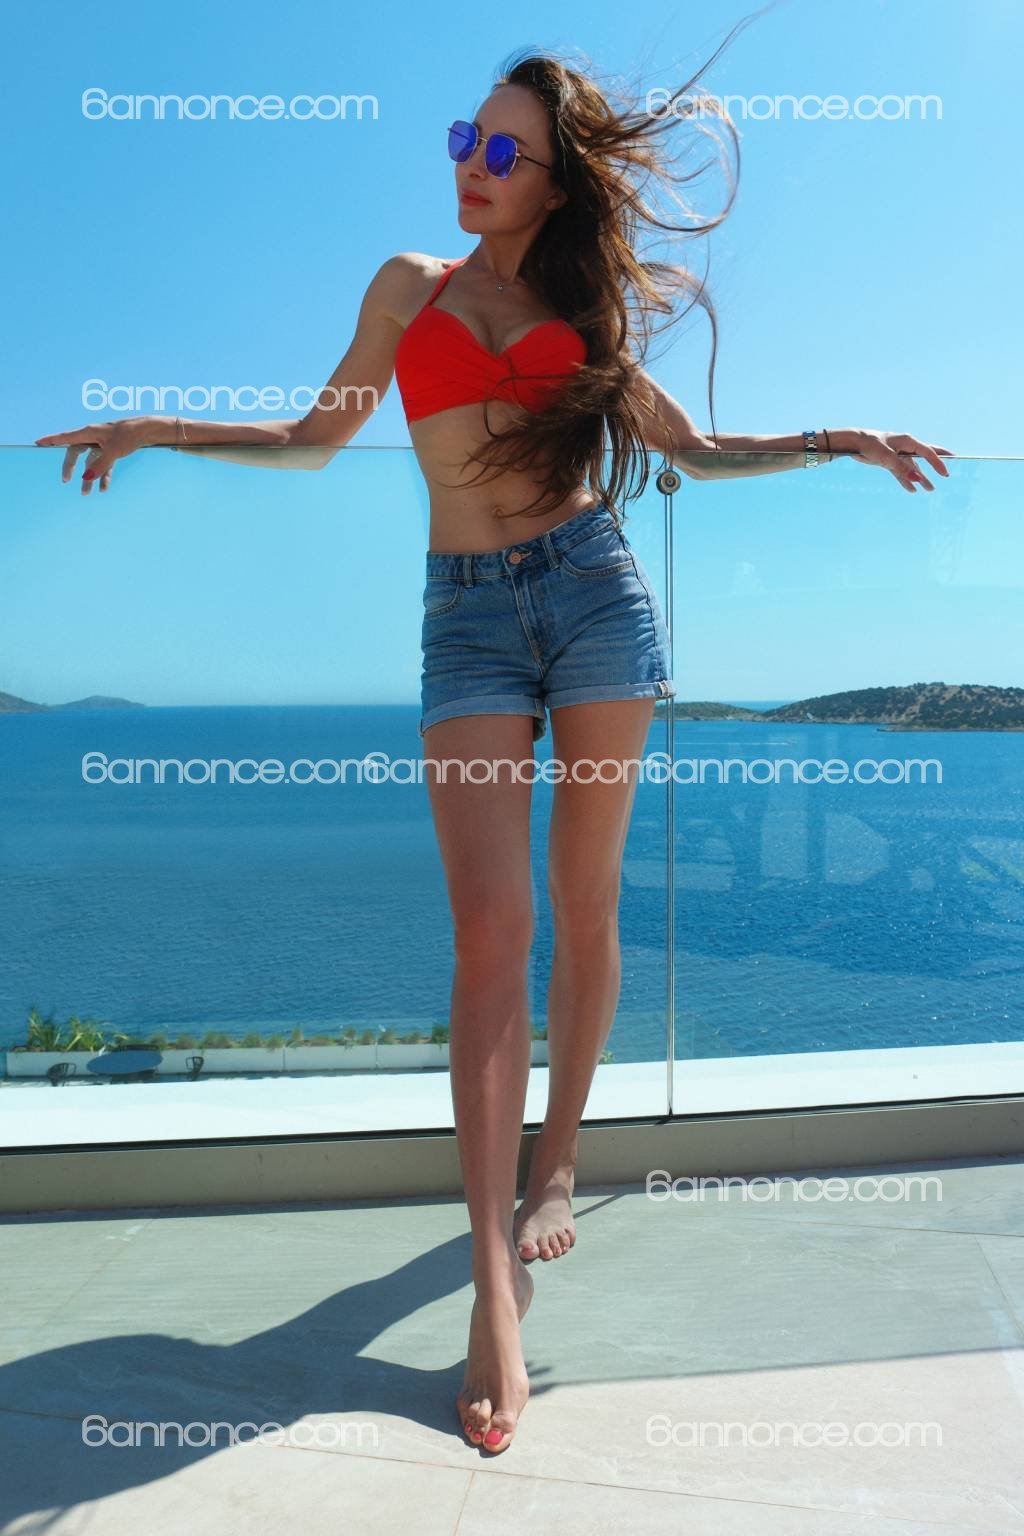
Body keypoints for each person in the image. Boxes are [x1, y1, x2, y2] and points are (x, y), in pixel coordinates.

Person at [36, 40, 952, 1458]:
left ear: (555, 181)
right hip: (465, 621)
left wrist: (845, 438)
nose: (473, 164)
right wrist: (158, 426)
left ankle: (557, 1166)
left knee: (585, 907)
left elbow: (697, 453)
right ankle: (490, 1284)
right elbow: (311, 436)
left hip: (596, 601)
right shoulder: (409, 286)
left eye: (505, 150)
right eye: (466, 137)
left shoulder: (584, 312)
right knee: (489, 933)